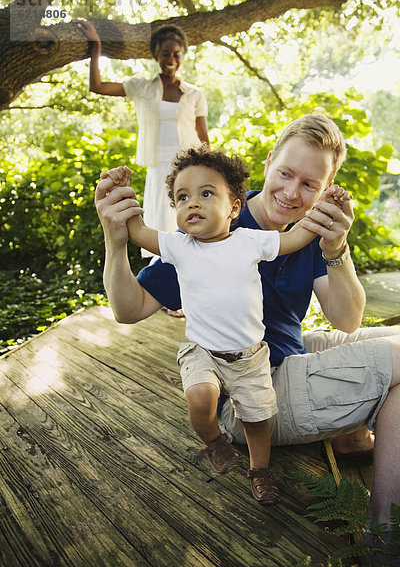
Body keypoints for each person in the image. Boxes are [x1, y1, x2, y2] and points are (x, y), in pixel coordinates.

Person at [95, 113, 400, 536]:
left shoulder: (305, 232)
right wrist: (115, 242)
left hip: (284, 358)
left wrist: (337, 246)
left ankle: (359, 446)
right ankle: (387, 528)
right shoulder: (213, 223)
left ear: (326, 188)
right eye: (286, 173)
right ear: (270, 160)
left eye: (310, 184)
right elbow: (128, 309)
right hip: (245, 397)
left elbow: (347, 320)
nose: (293, 193)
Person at [102, 149, 352, 504]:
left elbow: (295, 239)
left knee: (257, 418)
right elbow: (138, 230)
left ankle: (259, 469)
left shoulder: (250, 241)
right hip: (202, 350)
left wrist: (325, 208)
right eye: (183, 197)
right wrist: (119, 194)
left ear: (235, 208)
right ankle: (215, 442)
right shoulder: (179, 246)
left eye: (207, 193)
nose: (194, 203)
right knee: (200, 397)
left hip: (249, 355)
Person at [76, 18, 209, 257]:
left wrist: (211, 172)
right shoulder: (143, 87)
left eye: (176, 54)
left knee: (192, 224)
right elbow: (98, 86)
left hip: (189, 167)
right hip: (159, 168)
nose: (171, 60)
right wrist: (95, 47)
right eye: (166, 54)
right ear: (156, 55)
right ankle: (160, 279)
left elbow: (204, 138)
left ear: (183, 55)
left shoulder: (195, 94)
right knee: (162, 228)